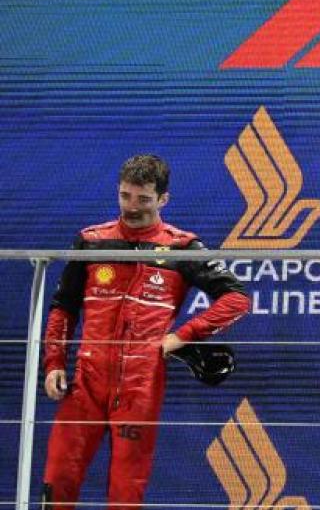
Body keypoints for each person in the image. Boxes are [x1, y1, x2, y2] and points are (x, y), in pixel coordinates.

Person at [41, 154, 250, 510]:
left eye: (143, 199)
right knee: (59, 478)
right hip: (85, 381)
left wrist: (183, 336)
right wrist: (54, 363)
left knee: (126, 491)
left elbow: (236, 299)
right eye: (125, 196)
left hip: (141, 383)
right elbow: (63, 306)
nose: (132, 207)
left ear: (163, 199)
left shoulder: (184, 248)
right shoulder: (91, 241)